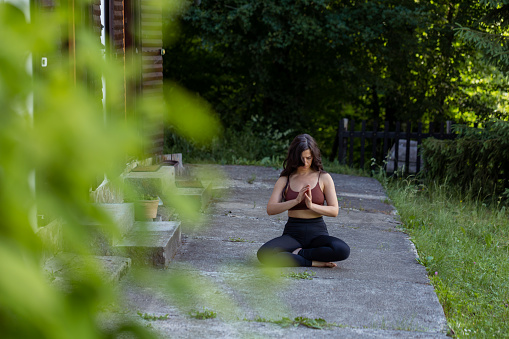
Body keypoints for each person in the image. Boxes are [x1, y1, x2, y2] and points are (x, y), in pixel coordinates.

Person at [257, 134, 350, 267]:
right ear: (294, 157)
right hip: (293, 233)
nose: (305, 163)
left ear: (314, 157)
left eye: (309, 158)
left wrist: (311, 206)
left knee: (342, 249)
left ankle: (299, 254)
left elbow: (334, 211)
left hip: (317, 233)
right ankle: (314, 262)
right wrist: (295, 201)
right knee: (264, 254)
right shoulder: (285, 179)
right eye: (301, 159)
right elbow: (271, 209)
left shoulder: (324, 178)